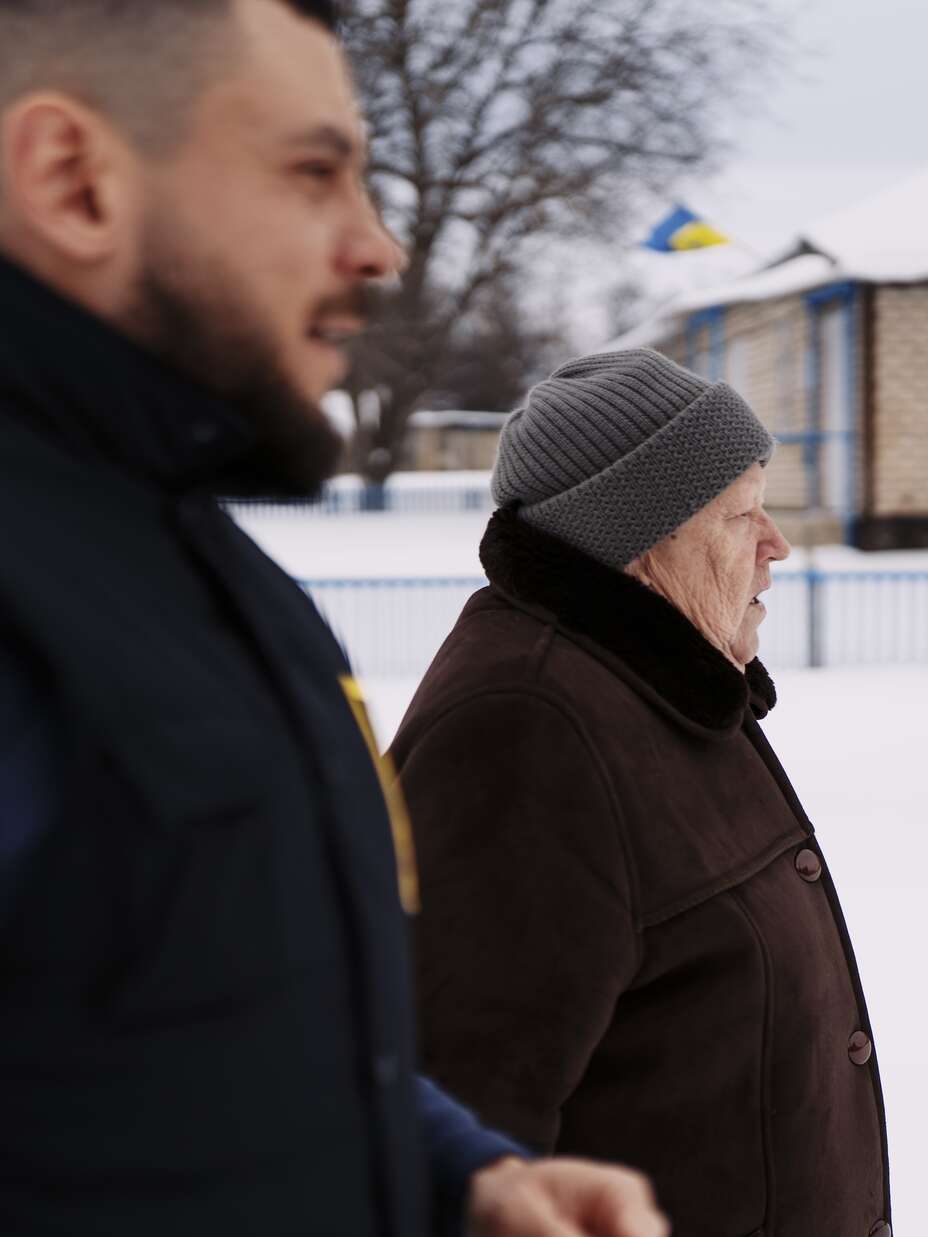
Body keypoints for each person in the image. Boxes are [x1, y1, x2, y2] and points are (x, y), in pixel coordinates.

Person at [0, 3, 670, 1236]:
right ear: (74, 180)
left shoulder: (193, 563)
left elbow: (209, 1036)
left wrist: (456, 1173)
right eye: (314, 173)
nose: (376, 247)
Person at [391, 349, 893, 1237]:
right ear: (635, 542)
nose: (775, 544)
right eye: (740, 516)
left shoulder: (652, 686)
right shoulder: (526, 732)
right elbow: (460, 1131)